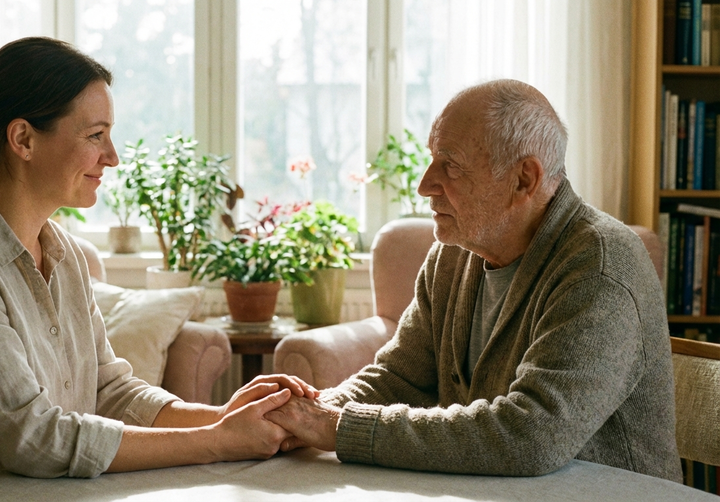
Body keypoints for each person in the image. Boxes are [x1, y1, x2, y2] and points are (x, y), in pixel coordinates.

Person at [0, 37, 316, 491]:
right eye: (96, 135)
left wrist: (226, 418)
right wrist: (217, 441)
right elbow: (34, 438)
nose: (112, 157)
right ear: (23, 139)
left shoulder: (64, 253)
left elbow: (108, 391)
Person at [266, 79, 682, 482]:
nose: (424, 185)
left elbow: (531, 436)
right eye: (432, 159)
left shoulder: (601, 267)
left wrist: (337, 426)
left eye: (450, 166)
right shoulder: (453, 253)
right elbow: (399, 377)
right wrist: (302, 414)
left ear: (524, 179)